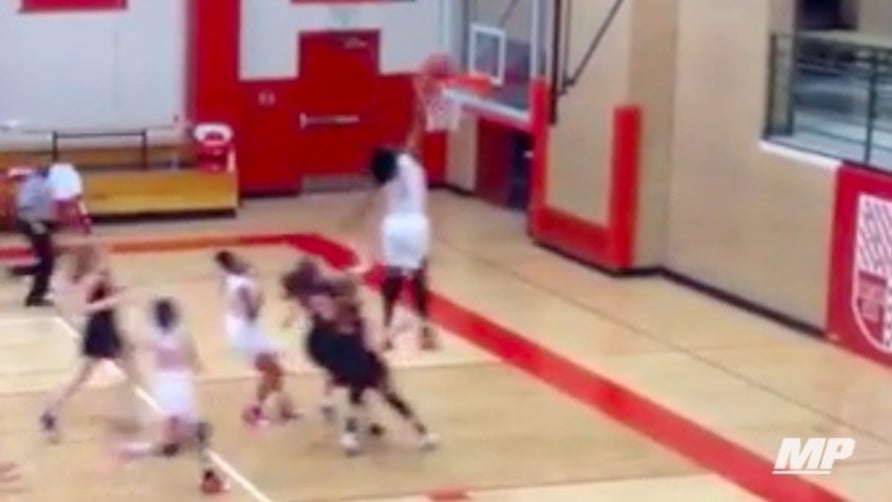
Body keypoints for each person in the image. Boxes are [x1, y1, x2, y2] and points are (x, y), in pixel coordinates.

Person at [283, 262, 437, 455]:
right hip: (365, 361)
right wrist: (399, 329)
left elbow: (338, 294)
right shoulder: (355, 320)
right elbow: (375, 345)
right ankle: (422, 434)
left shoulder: (330, 314)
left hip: (343, 358)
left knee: (357, 396)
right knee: (389, 397)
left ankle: (350, 434)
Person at [116, 298, 225, 494]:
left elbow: (133, 343)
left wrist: (129, 322)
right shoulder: (182, 333)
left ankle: (139, 450)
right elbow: (193, 359)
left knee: (172, 435)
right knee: (196, 434)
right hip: (181, 385)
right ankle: (209, 476)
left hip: (163, 385)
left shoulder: (153, 334)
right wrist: (199, 367)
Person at [39, 243, 142, 442]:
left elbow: (112, 294)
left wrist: (120, 292)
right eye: (101, 255)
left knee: (128, 369)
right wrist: (112, 301)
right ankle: (50, 412)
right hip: (99, 329)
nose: (105, 256)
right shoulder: (90, 279)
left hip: (109, 326)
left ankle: (131, 416)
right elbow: (83, 307)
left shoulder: (102, 275)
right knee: (86, 376)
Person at [348, 147, 436, 351]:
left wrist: (357, 214)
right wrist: (420, 115)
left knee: (392, 279)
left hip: (394, 227)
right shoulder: (409, 161)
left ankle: (387, 331)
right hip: (416, 226)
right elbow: (414, 137)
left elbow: (371, 186)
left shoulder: (386, 173)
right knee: (418, 278)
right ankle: (425, 328)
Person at [214, 250, 296, 426]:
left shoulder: (232, 280)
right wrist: (260, 299)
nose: (244, 259)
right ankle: (253, 410)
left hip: (245, 331)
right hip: (245, 333)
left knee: (275, 369)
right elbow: (251, 313)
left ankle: (284, 408)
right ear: (232, 265)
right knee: (273, 370)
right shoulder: (241, 285)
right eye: (238, 259)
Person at [9, 166, 56, 307]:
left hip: (38, 224)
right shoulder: (34, 183)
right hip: (35, 224)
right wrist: (37, 225)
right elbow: (24, 205)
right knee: (47, 261)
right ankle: (35, 295)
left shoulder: (39, 182)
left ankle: (22, 273)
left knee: (47, 261)